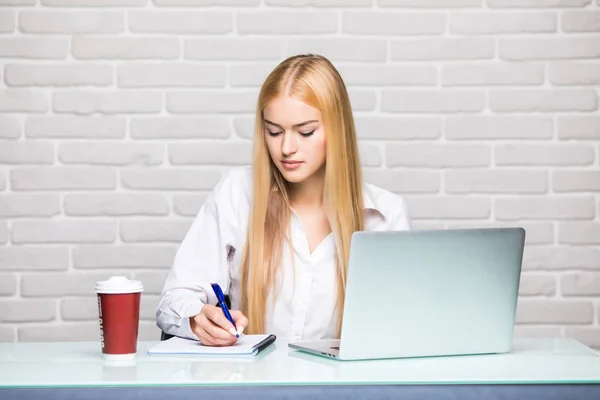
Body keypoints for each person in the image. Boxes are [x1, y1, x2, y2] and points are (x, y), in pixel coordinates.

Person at [156, 54, 411, 347]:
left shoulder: (385, 215)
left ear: (337, 130)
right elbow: (173, 300)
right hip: (252, 385)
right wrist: (196, 318)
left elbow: (401, 325)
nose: (287, 148)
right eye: (274, 132)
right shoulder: (237, 193)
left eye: (306, 132)